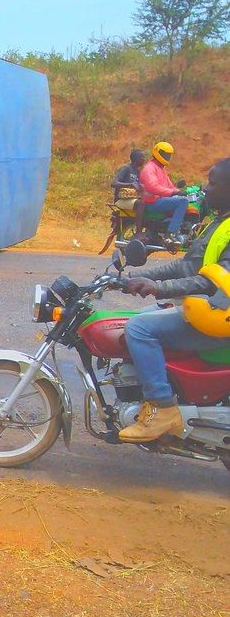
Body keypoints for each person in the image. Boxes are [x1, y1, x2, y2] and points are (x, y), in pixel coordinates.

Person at [119, 157, 230, 442]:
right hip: (212, 309)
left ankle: (162, 407)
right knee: (141, 315)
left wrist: (157, 287)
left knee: (139, 329)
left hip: (222, 316)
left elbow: (207, 282)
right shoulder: (219, 223)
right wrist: (140, 277)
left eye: (213, 183)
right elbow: (187, 266)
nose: (205, 189)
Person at [138, 142, 188, 239]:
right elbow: (153, 187)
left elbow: (169, 185)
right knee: (183, 202)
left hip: (159, 200)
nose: (168, 157)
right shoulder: (150, 168)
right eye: (165, 154)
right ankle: (171, 233)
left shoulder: (161, 168)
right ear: (158, 153)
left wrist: (179, 191)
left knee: (185, 199)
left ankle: (179, 229)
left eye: (169, 155)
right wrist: (173, 192)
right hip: (152, 202)